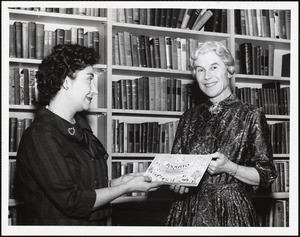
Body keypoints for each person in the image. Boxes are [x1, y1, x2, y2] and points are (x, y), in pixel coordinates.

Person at [16, 44, 162, 225]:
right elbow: (73, 201)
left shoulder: (80, 129)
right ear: (65, 82)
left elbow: (86, 188)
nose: (95, 89)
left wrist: (118, 182)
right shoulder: (40, 136)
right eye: (89, 79)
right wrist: (127, 187)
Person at [165, 41, 277, 226]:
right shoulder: (189, 116)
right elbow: (176, 168)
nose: (207, 76)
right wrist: (175, 182)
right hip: (187, 213)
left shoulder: (250, 114)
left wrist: (230, 168)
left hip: (230, 212)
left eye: (214, 67)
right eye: (200, 70)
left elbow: (266, 175)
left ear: (229, 70)